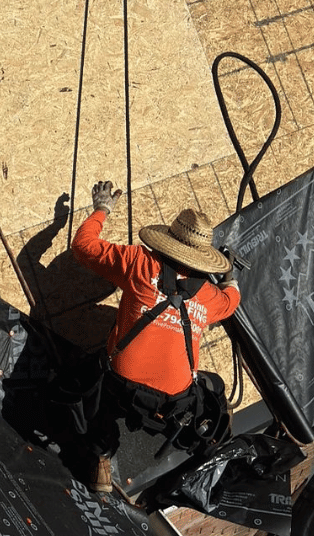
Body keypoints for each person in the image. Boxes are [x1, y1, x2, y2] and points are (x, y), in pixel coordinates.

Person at [69, 180, 240, 491]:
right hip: (174, 399)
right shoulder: (209, 296)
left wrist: (102, 209)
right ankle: (199, 441)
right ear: (202, 257)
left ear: (168, 240)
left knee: (100, 388)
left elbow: (83, 247)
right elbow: (231, 302)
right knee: (214, 386)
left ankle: (101, 460)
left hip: (121, 384)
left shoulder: (138, 263)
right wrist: (231, 278)